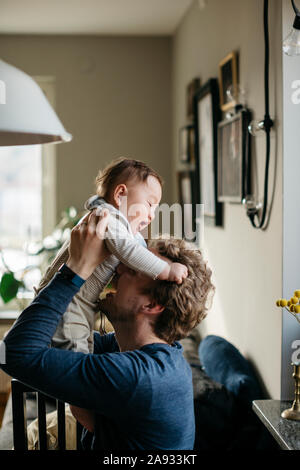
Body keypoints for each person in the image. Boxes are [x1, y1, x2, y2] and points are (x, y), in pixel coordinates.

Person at [1, 210, 214, 450]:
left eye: (132, 269)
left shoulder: (138, 376)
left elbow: (12, 353)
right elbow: (30, 340)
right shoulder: (137, 351)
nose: (118, 269)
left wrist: (77, 269)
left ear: (152, 305)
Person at [35, 157, 188, 354]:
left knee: (80, 351)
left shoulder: (112, 223)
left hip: (74, 302)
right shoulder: (108, 219)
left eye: (156, 209)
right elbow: (129, 251)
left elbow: (134, 247)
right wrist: (166, 269)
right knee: (75, 359)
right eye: (149, 204)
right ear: (120, 195)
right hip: (69, 304)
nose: (152, 215)